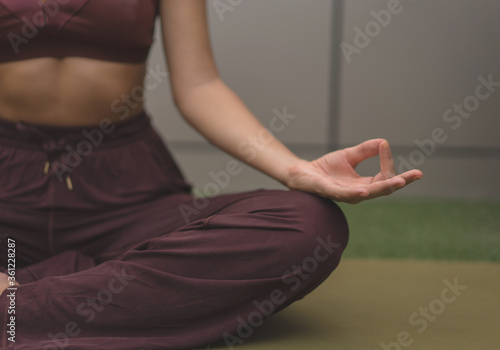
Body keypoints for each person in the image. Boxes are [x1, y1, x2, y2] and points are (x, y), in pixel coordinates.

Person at [0, 1, 422, 349]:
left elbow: (199, 85)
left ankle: (16, 310)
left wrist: (293, 169)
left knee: (311, 224)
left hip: (126, 191)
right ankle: (80, 295)